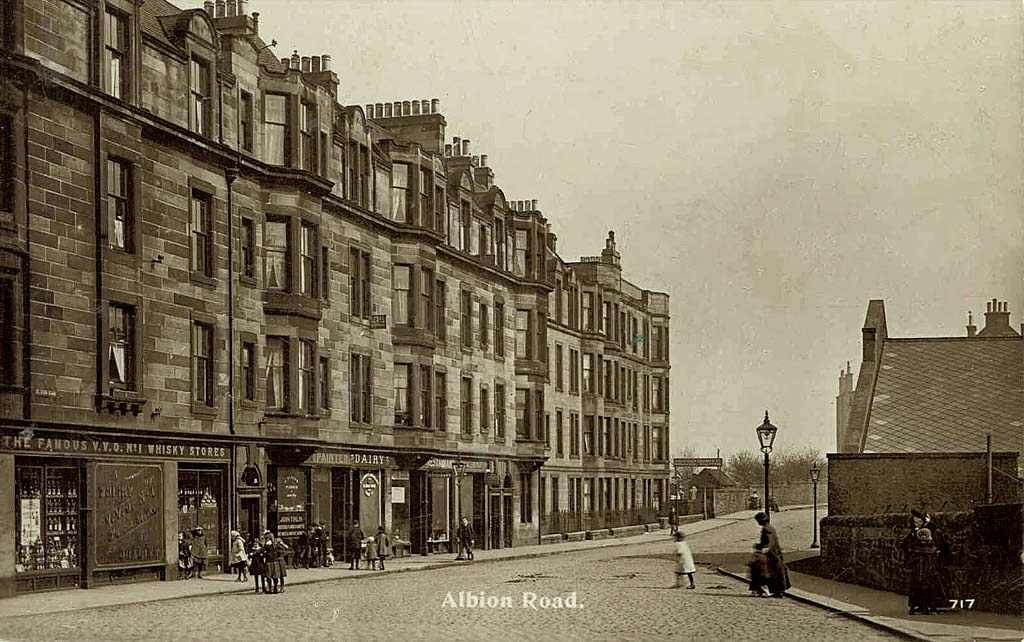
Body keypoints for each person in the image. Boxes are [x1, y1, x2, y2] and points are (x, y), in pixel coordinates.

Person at [901, 510, 941, 615]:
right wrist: (911, 553)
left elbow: (935, 539)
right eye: (914, 521)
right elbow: (905, 545)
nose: (916, 523)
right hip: (918, 564)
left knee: (928, 585)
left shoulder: (929, 530)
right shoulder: (914, 533)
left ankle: (928, 606)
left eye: (918, 520)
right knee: (916, 585)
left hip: (928, 564)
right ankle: (915, 606)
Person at [751, 512, 790, 598]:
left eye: (758, 520)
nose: (757, 522)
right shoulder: (770, 528)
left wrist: (762, 549)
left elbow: (769, 542)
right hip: (774, 553)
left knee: (766, 572)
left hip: (771, 554)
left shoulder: (766, 529)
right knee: (774, 572)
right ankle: (777, 591)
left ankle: (772, 591)